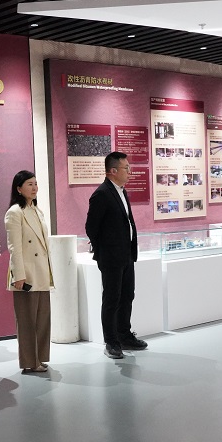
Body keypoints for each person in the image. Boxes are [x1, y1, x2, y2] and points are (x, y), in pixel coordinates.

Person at [85, 151, 148, 359]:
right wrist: (102, 250)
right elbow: (91, 227)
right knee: (112, 299)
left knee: (127, 295)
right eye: (126, 168)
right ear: (113, 171)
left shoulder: (122, 191)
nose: (130, 171)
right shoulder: (102, 194)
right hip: (111, 257)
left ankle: (124, 335)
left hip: (126, 254)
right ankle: (111, 342)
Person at [4, 170, 53, 373]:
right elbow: (14, 247)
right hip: (26, 275)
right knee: (27, 322)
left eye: (35, 183)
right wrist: (19, 275)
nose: (34, 188)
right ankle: (29, 361)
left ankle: (40, 358)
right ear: (18, 188)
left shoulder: (37, 210)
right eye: (29, 184)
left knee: (42, 320)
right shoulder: (15, 212)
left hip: (41, 272)